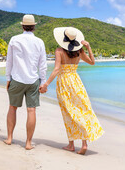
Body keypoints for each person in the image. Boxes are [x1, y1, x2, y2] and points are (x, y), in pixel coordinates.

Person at [39, 27, 104, 155]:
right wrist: (88, 47)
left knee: (68, 113)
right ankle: (84, 143)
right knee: (82, 110)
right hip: (76, 83)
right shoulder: (79, 51)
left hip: (64, 83)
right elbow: (92, 62)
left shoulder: (59, 50)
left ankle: (71, 144)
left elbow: (57, 69)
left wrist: (45, 84)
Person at [4, 14, 47, 150]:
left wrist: (8, 79)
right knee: (31, 110)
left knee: (12, 107)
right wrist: (43, 82)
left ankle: (10, 138)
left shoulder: (14, 39)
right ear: (34, 27)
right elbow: (43, 64)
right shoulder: (39, 42)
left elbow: (9, 61)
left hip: (17, 78)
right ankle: (28, 143)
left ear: (22, 26)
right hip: (33, 80)